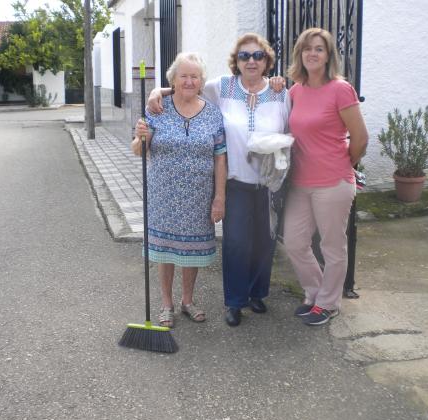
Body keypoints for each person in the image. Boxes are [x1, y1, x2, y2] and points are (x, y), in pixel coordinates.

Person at [147, 33, 290, 327]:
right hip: (235, 181)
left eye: (258, 56)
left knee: (264, 241)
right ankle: (235, 302)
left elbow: (289, 127)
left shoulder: (280, 93)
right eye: (244, 56)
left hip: (269, 183)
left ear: (267, 61)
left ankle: (257, 293)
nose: (251, 61)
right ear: (236, 61)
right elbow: (188, 86)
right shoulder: (222, 87)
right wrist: (156, 92)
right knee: (236, 243)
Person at [132, 52, 227, 328]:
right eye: (183, 75)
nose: (189, 81)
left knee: (191, 250)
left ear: (201, 81)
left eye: (194, 76)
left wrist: (219, 197)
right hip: (163, 195)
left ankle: (187, 300)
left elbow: (220, 158)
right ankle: (166, 304)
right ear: (173, 79)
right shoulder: (157, 108)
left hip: (198, 195)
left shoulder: (213, 113)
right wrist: (141, 138)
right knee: (165, 250)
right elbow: (138, 150)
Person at [283, 27, 369, 326]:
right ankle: (316, 294)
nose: (312, 53)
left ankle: (328, 304)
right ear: (300, 54)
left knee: (332, 247)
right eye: (307, 48)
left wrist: (344, 164)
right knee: (294, 242)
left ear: (328, 55)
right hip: (300, 183)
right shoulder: (295, 91)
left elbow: (360, 138)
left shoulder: (340, 89)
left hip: (333, 183)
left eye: (319, 49)